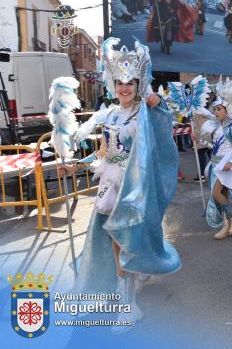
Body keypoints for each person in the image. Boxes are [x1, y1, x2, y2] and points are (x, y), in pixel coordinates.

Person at [61, 37, 181, 329]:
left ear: (139, 82)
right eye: (120, 82)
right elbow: (104, 150)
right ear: (113, 85)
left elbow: (164, 130)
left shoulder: (145, 110)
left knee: (121, 242)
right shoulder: (110, 113)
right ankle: (125, 287)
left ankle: (128, 305)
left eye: (131, 81)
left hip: (135, 187)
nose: (125, 87)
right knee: (115, 241)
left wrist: (158, 103)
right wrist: (76, 162)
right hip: (110, 185)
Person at [199, 78, 232, 240]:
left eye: (219, 109)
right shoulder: (216, 127)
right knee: (223, 195)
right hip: (216, 165)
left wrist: (230, 162)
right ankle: (226, 224)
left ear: (227, 110)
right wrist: (199, 141)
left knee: (216, 193)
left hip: (227, 166)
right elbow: (212, 147)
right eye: (214, 109)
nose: (216, 112)